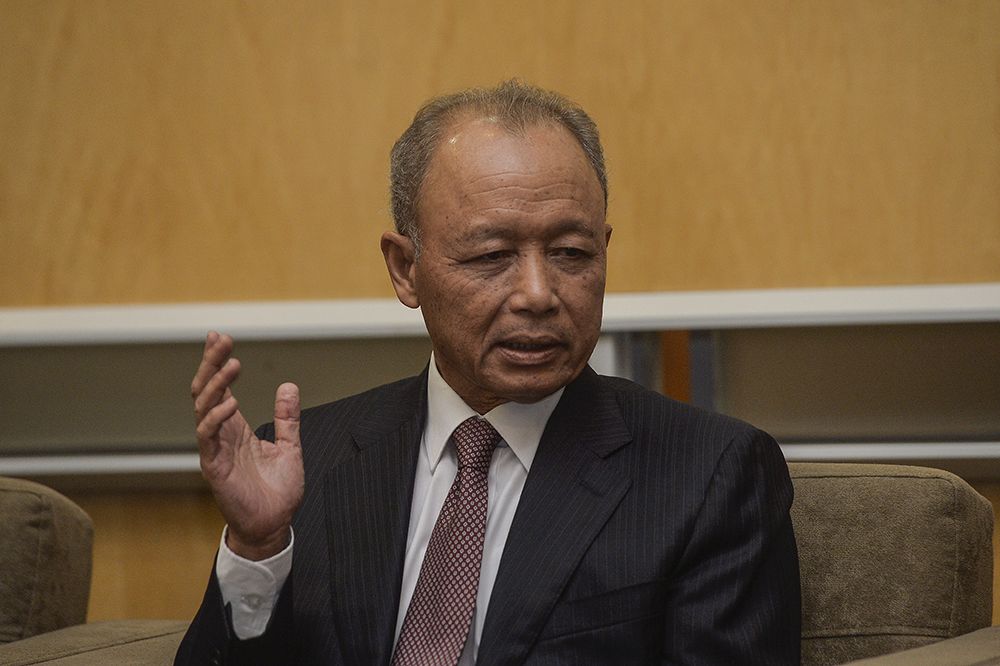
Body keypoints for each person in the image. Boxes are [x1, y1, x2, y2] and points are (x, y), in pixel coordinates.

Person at [176, 80, 800, 665]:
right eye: (493, 256)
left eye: (571, 254)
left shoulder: (708, 474)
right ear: (404, 269)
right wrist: (257, 551)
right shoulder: (309, 464)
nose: (537, 292)